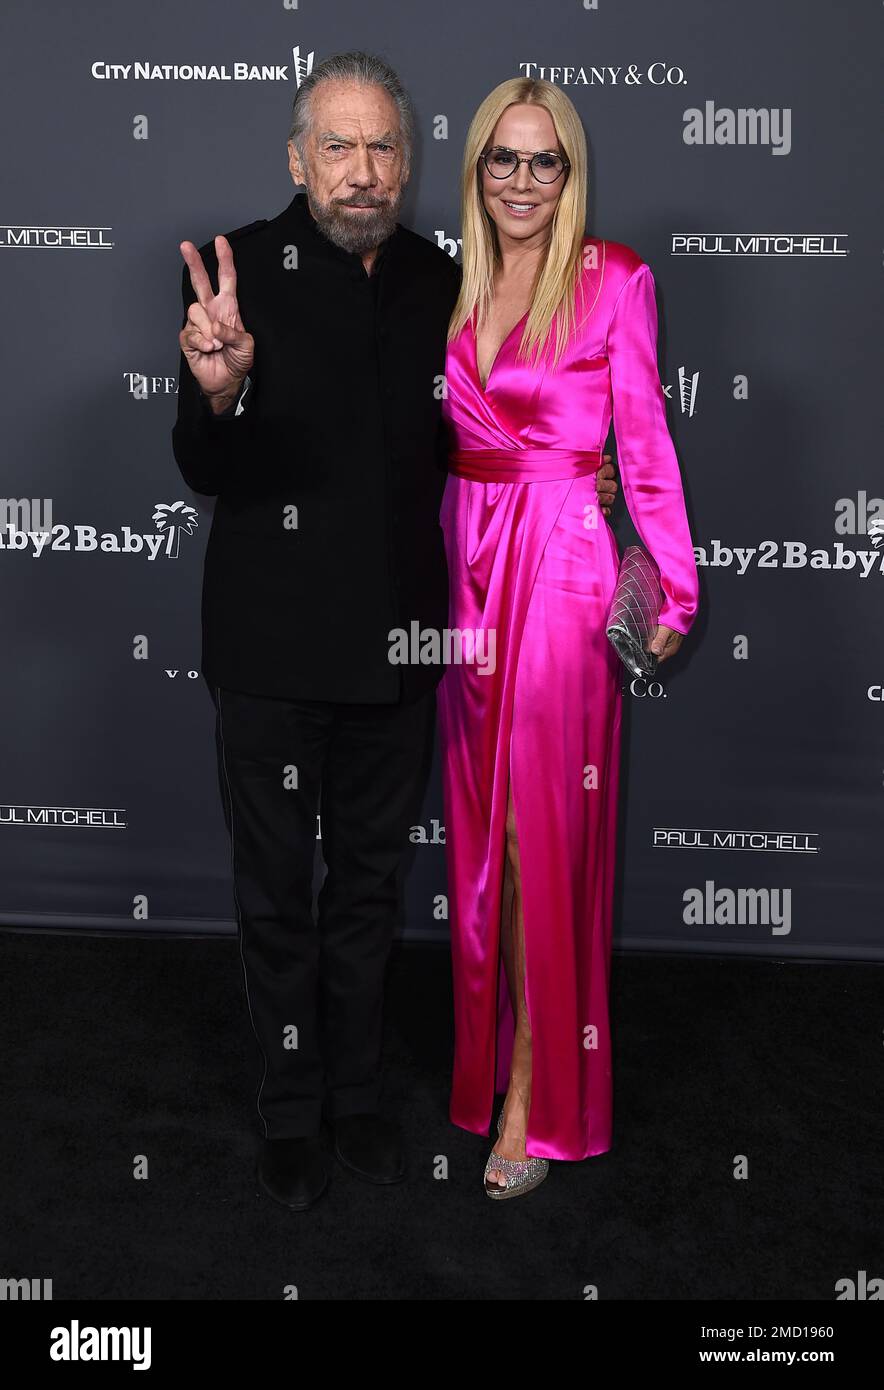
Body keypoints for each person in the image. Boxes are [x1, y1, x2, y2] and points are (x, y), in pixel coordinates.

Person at [171, 49, 624, 1211]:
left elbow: (517, 427)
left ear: (409, 163)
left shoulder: (444, 280)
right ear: (296, 158)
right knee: (277, 891)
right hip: (268, 650)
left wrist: (601, 503)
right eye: (337, 145)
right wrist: (217, 389)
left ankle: (360, 1096)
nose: (361, 171)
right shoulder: (234, 272)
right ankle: (288, 1102)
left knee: (370, 887)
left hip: (404, 650)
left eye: (381, 148)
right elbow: (202, 465)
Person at [437, 77, 700, 1198]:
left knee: (545, 835)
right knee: (480, 836)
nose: (521, 182)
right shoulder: (450, 276)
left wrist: (672, 594)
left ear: (570, 172)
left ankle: (535, 1096)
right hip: (464, 567)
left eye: (544, 162)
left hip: (558, 568)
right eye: (503, 158)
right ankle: (487, 1059)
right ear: (477, 167)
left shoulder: (611, 277)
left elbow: (640, 447)